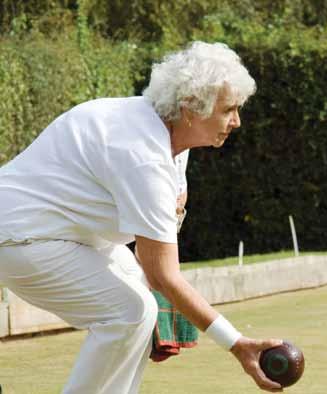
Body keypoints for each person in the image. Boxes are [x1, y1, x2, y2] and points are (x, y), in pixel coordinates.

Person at [0, 41, 283, 393]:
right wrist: (237, 343)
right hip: (21, 236)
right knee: (129, 312)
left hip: (71, 234)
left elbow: (151, 252)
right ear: (191, 109)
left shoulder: (171, 139)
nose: (237, 121)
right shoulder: (142, 153)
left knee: (139, 308)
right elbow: (163, 273)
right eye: (229, 109)